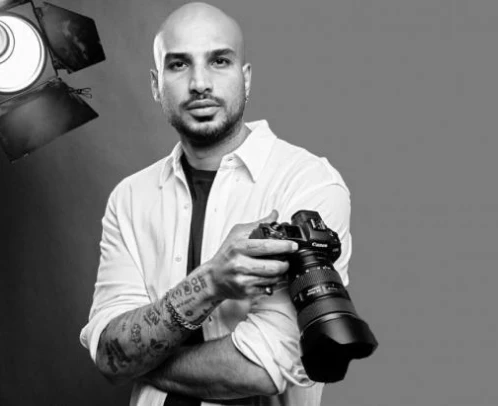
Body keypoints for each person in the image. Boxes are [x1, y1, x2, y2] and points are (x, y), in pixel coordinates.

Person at [79, 3, 352, 406]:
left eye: (219, 61)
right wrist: (211, 281)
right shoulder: (130, 198)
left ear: (246, 78)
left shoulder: (306, 183)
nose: (199, 83)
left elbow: (262, 368)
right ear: (156, 85)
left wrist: (138, 362)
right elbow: (110, 352)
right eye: (178, 65)